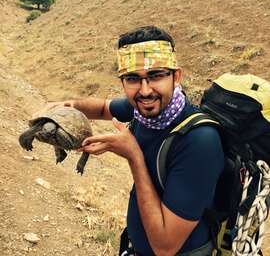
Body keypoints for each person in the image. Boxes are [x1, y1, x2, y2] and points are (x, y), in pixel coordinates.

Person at [46, 26, 224, 256]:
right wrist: (64, 106)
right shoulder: (142, 110)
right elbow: (102, 108)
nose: (145, 90)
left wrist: (133, 155)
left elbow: (165, 246)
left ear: (176, 76)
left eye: (156, 76)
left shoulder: (200, 141)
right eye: (133, 79)